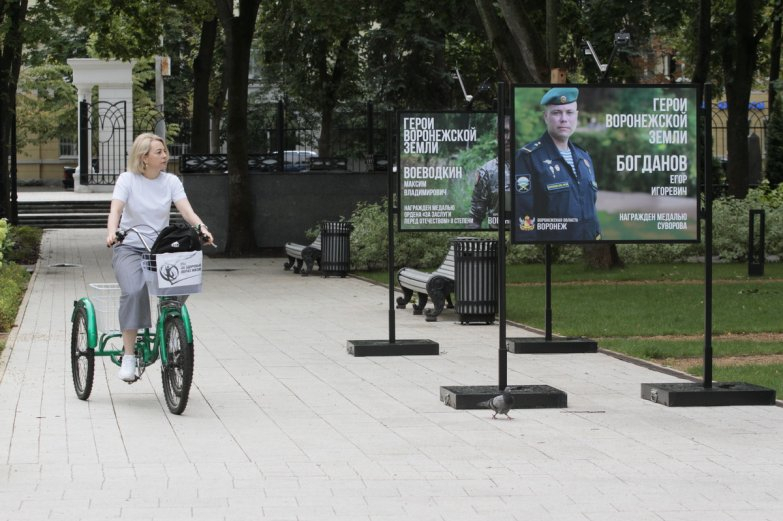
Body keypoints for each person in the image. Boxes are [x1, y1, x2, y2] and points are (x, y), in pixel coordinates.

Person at [105, 133, 214, 382]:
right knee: (134, 291)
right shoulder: (127, 180)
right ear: (144, 157)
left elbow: (187, 211)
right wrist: (112, 232)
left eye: (165, 151)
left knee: (183, 281)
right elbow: (116, 209)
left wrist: (202, 229)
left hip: (160, 249)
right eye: (159, 152)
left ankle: (170, 324)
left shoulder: (171, 181)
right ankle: (130, 355)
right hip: (130, 247)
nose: (165, 155)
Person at [513, 87, 601, 242]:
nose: (564, 119)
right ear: (546, 117)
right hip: (553, 250)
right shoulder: (528, 157)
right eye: (556, 112)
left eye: (569, 112)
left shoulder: (584, 158)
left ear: (577, 116)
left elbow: (591, 210)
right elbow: (523, 212)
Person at [468, 117, 511, 229]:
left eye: (513, 132)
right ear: (497, 135)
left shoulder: (534, 167)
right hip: (498, 238)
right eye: (504, 132)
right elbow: (474, 218)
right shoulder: (487, 171)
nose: (508, 137)